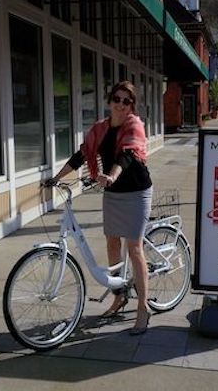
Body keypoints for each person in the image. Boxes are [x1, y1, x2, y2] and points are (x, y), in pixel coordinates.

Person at [47, 81, 153, 335]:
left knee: (134, 248)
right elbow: (82, 155)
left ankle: (143, 307)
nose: (120, 104)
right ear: (109, 101)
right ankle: (119, 296)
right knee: (112, 244)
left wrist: (113, 175)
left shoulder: (134, 126)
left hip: (136, 192)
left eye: (126, 101)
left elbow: (126, 156)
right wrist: (56, 177)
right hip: (113, 193)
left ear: (131, 105)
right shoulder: (100, 129)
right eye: (116, 98)